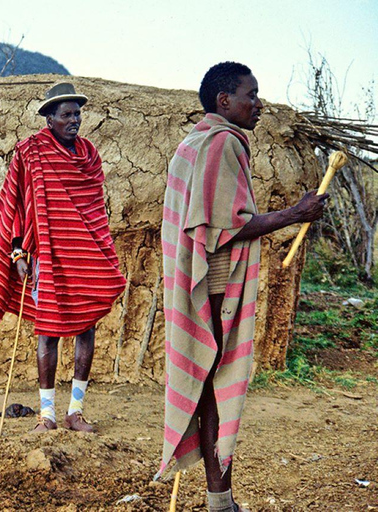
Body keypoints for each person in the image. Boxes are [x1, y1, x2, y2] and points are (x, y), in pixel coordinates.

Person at [158, 62, 328, 511]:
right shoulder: (222, 145)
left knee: (210, 387)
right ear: (224, 101)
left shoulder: (192, 145)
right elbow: (225, 228)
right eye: (251, 95)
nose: (259, 104)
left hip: (195, 282)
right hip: (214, 286)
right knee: (216, 389)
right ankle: (220, 502)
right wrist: (295, 214)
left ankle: (221, 499)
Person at [0, 83, 127, 433]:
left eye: (77, 113)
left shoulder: (89, 155)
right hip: (46, 254)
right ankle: (46, 415)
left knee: (86, 326)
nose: (74, 120)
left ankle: (75, 412)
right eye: (66, 114)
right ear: (49, 119)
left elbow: (94, 209)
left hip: (84, 252)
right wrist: (17, 250)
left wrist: (98, 249)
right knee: (48, 330)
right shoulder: (31, 151)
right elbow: (18, 205)